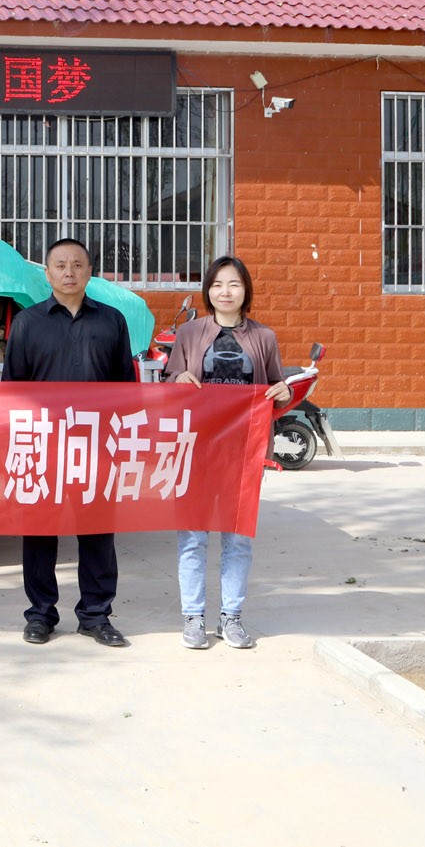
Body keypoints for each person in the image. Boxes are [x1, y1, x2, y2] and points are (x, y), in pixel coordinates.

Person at [3, 237, 138, 649]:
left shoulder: (112, 321)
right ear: (47, 273)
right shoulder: (27, 322)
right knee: (39, 532)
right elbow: (12, 389)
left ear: (90, 271)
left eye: (77, 264)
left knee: (97, 533)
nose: (69, 272)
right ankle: (40, 614)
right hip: (44, 446)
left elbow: (125, 388)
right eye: (60, 265)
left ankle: (95, 616)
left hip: (95, 446)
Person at [163, 255, 290, 651]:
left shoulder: (264, 337)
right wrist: (178, 378)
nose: (225, 292)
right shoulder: (190, 333)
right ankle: (193, 618)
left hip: (244, 453)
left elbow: (277, 389)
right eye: (217, 284)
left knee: (237, 540)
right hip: (196, 449)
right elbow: (169, 380)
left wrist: (285, 392)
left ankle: (231, 618)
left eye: (233, 284)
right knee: (193, 537)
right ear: (208, 291)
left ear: (245, 290)